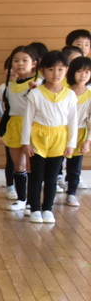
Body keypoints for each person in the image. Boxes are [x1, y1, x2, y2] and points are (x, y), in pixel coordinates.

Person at [20, 50, 76, 223]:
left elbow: (72, 121)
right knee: (36, 176)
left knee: (52, 178)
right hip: (38, 137)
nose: (55, 73)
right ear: (43, 70)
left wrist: (71, 144)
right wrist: (26, 142)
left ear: (66, 70)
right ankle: (35, 208)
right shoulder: (35, 93)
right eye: (51, 69)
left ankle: (48, 209)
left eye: (60, 69)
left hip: (59, 138)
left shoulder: (70, 95)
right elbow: (27, 119)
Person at [0, 45, 41, 211]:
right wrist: (0, 131)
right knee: (18, 166)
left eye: (24, 60)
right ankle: (21, 199)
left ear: (34, 63)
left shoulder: (39, 84)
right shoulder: (9, 87)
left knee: (31, 166)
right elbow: (8, 111)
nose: (20, 64)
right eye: (16, 60)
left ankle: (32, 202)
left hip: (32, 126)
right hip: (14, 126)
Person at [63, 56, 91, 206]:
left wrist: (88, 140)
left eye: (87, 72)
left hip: (80, 133)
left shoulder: (90, 95)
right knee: (56, 164)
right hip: (61, 132)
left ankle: (71, 193)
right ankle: (53, 189)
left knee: (75, 167)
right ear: (72, 72)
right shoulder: (64, 92)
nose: (83, 75)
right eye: (79, 71)